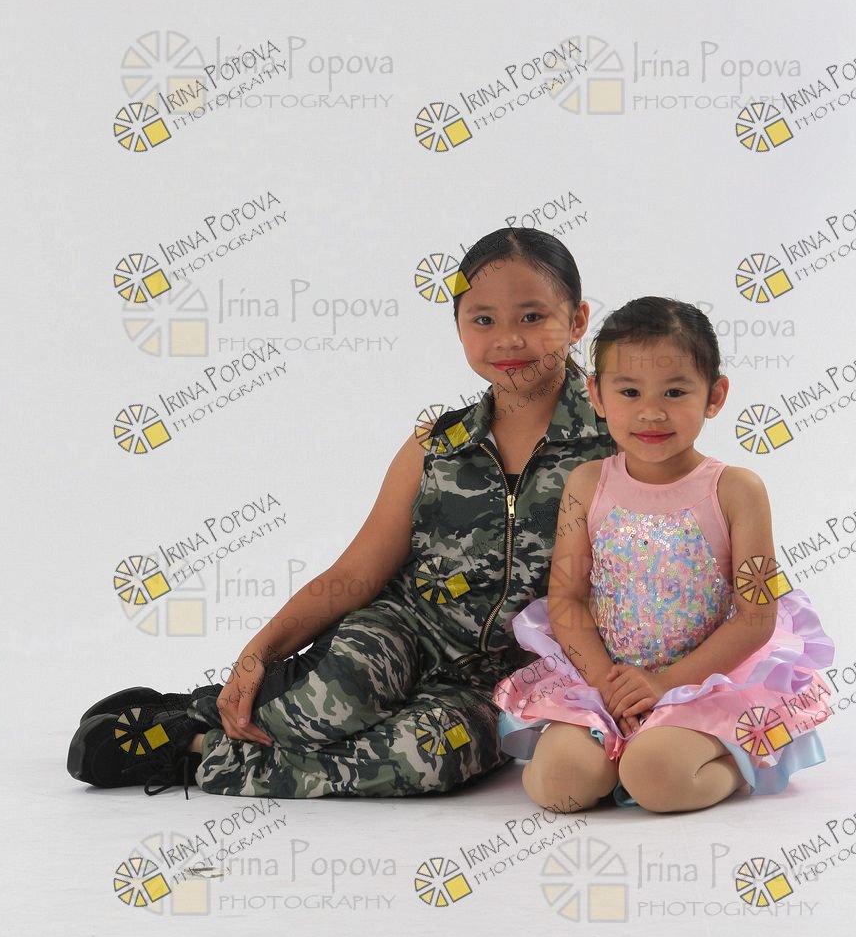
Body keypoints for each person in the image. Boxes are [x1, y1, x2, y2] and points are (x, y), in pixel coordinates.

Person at [67, 228, 619, 799]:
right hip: (401, 634)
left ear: (577, 320)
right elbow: (357, 572)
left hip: (509, 683)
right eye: (482, 319)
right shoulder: (438, 445)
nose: (508, 338)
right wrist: (258, 653)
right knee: (329, 700)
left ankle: (198, 749)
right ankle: (209, 708)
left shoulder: (620, 443)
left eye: (532, 317)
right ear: (458, 328)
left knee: (431, 760)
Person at [492, 297, 835, 815]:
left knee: (657, 778)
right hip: (608, 679)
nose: (651, 412)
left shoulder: (737, 491)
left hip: (705, 681)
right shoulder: (586, 485)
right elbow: (566, 598)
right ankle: (617, 749)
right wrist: (608, 685)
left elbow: (757, 615)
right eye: (629, 392)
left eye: (675, 392)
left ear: (714, 395)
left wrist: (665, 683)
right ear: (597, 394)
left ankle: (740, 760)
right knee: (560, 785)